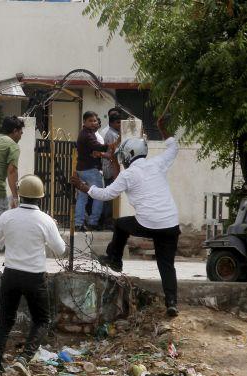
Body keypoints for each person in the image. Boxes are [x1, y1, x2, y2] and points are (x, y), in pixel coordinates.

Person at [70, 117, 181, 317]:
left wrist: (83, 187)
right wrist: (163, 128)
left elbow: (106, 194)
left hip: (148, 223)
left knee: (120, 224)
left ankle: (115, 259)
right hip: (171, 223)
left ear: (129, 155)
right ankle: (171, 302)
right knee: (166, 264)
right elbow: (173, 148)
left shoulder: (128, 176)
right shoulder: (157, 163)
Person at [0, 175, 66, 376]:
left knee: (5, 321)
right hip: (35, 277)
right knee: (42, 320)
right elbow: (60, 250)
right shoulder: (46, 220)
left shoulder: (7, 216)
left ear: (19, 195)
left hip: (11, 274)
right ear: (40, 197)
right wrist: (52, 230)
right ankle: (24, 358)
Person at [75, 111, 110, 231]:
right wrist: (112, 145)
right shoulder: (87, 134)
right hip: (90, 170)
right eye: (90, 121)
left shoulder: (86, 133)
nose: (93, 123)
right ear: (84, 122)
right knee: (99, 196)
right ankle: (93, 222)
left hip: (82, 169)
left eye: (95, 120)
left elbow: (94, 149)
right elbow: (98, 147)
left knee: (82, 197)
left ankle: (78, 223)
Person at [99, 112, 123, 228]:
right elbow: (112, 153)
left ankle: (108, 220)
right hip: (110, 168)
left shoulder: (115, 133)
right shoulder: (112, 135)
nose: (120, 125)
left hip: (112, 166)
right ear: (112, 123)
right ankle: (107, 221)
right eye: (118, 123)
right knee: (110, 195)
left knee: (111, 194)